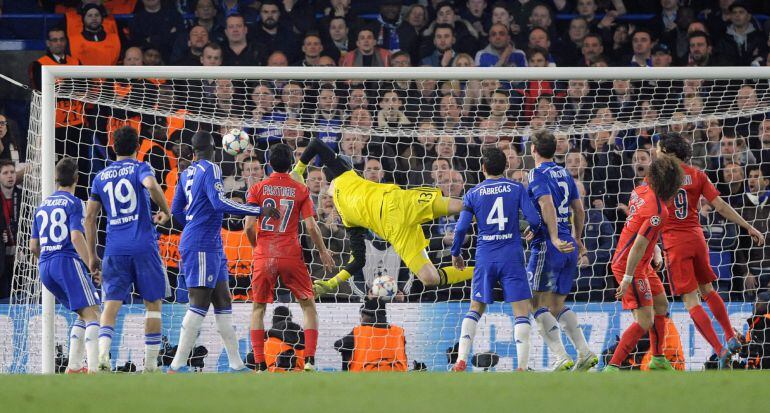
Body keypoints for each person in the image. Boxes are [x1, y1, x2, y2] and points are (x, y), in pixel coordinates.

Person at [293, 137, 474, 293]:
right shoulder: (347, 220)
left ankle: (492, 213)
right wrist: (331, 283)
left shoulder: (344, 174)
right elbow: (358, 261)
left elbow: (316, 144)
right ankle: (481, 270)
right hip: (396, 233)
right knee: (430, 278)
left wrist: (298, 169)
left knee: (461, 206)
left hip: (399, 202)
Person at [167, 131, 278, 373]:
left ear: (193, 151)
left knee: (222, 300)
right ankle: (176, 365)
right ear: (214, 149)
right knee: (199, 301)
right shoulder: (211, 169)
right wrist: (255, 210)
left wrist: (194, 224)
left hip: (208, 242)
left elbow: (175, 210)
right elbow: (218, 203)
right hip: (202, 244)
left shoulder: (185, 173)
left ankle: (236, 364)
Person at [657, 133, 765, 367]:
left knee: (690, 300)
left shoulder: (658, 177)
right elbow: (721, 205)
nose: (656, 154)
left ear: (668, 153)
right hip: (697, 238)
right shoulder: (697, 175)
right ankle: (728, 334)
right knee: (708, 289)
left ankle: (719, 348)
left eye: (658, 150)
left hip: (675, 242)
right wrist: (748, 226)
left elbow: (650, 212)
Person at [84, 126, 172, 373]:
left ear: (113, 148)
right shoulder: (140, 167)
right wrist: (166, 210)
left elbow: (90, 218)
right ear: (137, 147)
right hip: (144, 246)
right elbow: (152, 186)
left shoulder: (100, 177)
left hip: (114, 249)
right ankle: (151, 366)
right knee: (152, 304)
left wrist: (92, 255)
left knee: (110, 305)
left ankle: (102, 355)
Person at [244, 144, 334, 372]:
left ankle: (260, 362)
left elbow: (247, 228)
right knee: (308, 306)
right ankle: (310, 360)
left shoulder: (257, 188)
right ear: (290, 164)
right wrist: (323, 251)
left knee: (258, 308)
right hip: (291, 255)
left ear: (269, 163)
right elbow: (312, 227)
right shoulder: (300, 189)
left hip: (265, 254)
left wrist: (258, 247)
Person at [450, 147, 541, 372]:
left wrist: (456, 252)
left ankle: (461, 360)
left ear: (483, 168)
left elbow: (461, 228)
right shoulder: (516, 188)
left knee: (475, 308)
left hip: (485, 257)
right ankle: (521, 367)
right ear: (506, 167)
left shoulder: (473, 193)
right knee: (521, 311)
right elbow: (534, 218)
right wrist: (533, 229)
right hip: (512, 255)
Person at [604, 154, 684, 372]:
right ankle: (612, 366)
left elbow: (641, 227)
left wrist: (655, 250)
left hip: (641, 261)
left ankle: (657, 358)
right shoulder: (659, 211)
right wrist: (628, 278)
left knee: (661, 305)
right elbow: (639, 244)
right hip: (630, 263)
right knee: (644, 320)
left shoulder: (640, 190)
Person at [526, 130, 597, 371]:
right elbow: (580, 209)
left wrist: (553, 236)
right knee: (555, 306)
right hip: (568, 245)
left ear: (533, 149)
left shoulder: (536, 173)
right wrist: (577, 240)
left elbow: (546, 204)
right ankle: (585, 352)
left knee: (534, 304)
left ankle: (560, 356)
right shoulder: (565, 173)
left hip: (550, 245)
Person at [30, 158, 101, 373]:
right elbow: (76, 236)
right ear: (77, 178)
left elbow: (33, 246)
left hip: (45, 266)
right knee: (94, 314)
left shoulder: (41, 206)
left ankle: (74, 367)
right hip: (66, 261)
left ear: (56, 178)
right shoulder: (74, 203)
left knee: (82, 312)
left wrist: (48, 258)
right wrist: (90, 262)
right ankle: (96, 369)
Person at [334, 298, 407, 371]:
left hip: (364, 376)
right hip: (397, 375)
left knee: (346, 350)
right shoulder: (398, 332)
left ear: (368, 316)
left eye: (362, 316)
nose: (361, 319)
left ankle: (348, 378)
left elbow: (337, 345)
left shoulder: (360, 332)